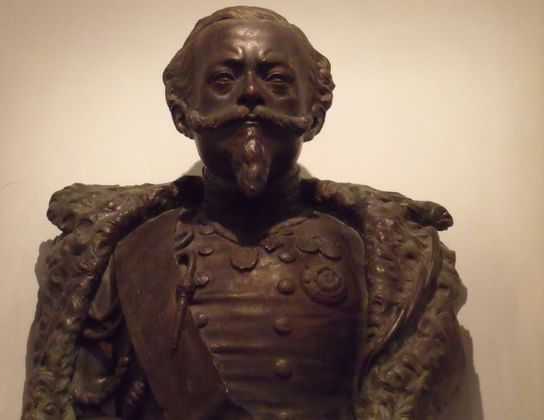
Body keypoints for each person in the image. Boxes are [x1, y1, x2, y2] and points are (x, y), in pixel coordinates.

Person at [23, 6, 465, 420]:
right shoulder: (123, 257)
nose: (251, 94)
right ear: (182, 113)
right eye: (223, 80)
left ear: (315, 112)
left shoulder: (385, 261)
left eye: (276, 80)